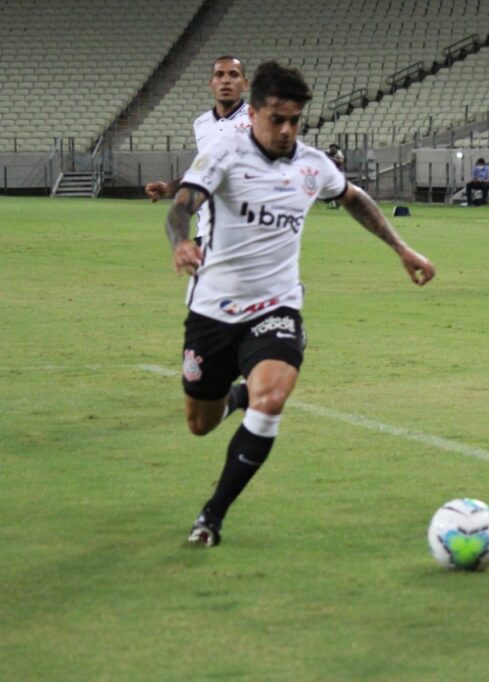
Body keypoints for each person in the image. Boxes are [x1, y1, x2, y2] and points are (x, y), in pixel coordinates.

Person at [162, 61, 435, 547]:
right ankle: (236, 396)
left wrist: (402, 248)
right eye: (277, 119)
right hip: (213, 309)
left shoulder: (312, 164)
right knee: (199, 423)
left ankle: (212, 517)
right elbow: (182, 203)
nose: (287, 130)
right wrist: (181, 242)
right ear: (254, 114)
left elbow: (352, 198)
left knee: (272, 399)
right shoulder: (224, 153)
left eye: (295, 120)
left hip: (276, 307)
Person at [145, 56, 252, 244]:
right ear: (211, 83)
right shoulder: (201, 124)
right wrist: (168, 188)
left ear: (244, 83)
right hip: (207, 233)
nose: (226, 80)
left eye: (233, 75)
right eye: (219, 75)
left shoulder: (260, 121)